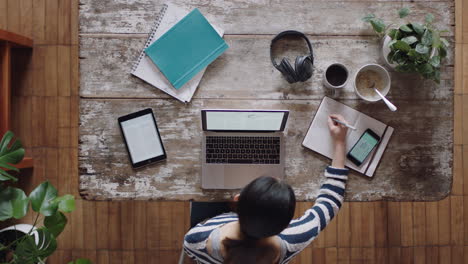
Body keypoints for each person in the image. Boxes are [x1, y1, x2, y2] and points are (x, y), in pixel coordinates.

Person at [184, 114, 349, 264]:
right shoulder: (296, 237)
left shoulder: (197, 240)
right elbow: (331, 201)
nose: (275, 178)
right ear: (286, 226)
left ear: (237, 200)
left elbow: (192, 257)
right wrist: (340, 142)